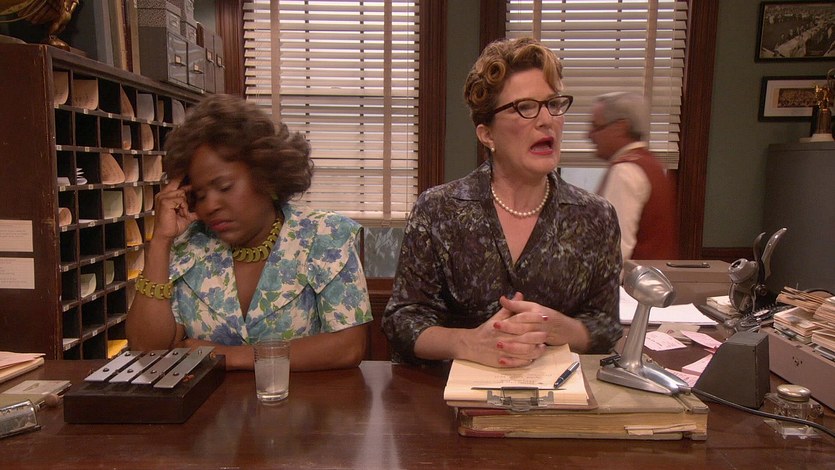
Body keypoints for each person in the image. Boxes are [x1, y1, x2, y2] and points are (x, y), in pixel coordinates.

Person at [381, 37, 623, 368]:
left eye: (553, 104)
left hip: (558, 394)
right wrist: (468, 343)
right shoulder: (439, 210)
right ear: (487, 134)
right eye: (525, 107)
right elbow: (402, 321)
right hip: (452, 393)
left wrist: (557, 327)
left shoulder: (595, 217)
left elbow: (606, 327)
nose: (546, 120)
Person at [126, 94, 372, 371]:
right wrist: (161, 240)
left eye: (225, 187)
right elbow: (146, 351)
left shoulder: (326, 236)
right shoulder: (188, 246)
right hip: (210, 401)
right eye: (200, 195)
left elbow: (348, 347)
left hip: (299, 399)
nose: (210, 205)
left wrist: (227, 356)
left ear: (265, 176)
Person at [589, 92, 678, 260]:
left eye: (596, 126)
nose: (589, 135)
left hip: (634, 276)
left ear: (620, 127)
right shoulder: (653, 165)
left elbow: (615, 251)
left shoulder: (625, 171)